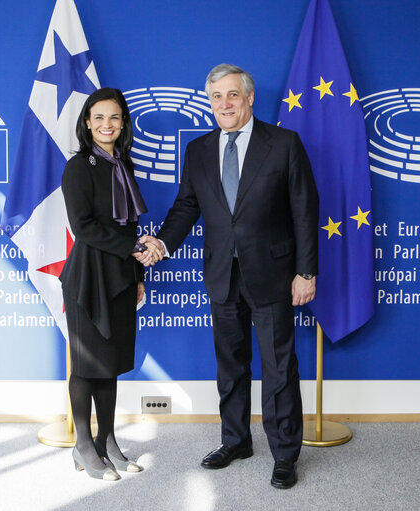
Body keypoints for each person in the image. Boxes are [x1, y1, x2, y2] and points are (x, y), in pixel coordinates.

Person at [141, 64, 319, 489]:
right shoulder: (199, 150)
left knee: (279, 367)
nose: (225, 104)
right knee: (230, 367)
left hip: (274, 274)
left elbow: (305, 211)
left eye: (232, 95)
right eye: (216, 97)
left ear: (249, 98)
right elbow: (186, 207)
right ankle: (236, 440)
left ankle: (285, 454)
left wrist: (305, 271)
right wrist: (162, 244)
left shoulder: (284, 144)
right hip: (222, 274)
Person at [60, 87, 162, 481]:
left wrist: (137, 274)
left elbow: (130, 225)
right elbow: (83, 227)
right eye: (99, 117)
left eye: (115, 118)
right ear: (87, 122)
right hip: (88, 277)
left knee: (111, 364)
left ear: (123, 124)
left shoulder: (124, 165)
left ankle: (108, 441)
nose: (107, 125)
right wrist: (135, 249)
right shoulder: (78, 167)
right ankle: (83, 444)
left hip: (120, 275)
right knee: (87, 364)